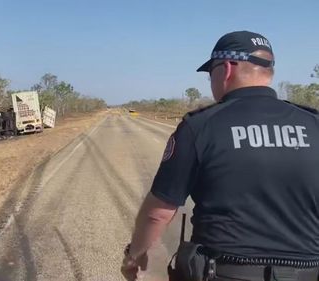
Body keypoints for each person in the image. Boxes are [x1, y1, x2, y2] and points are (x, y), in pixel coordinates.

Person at [121, 30, 319, 281]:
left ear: (226, 68)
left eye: (210, 73)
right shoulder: (314, 124)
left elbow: (158, 212)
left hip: (224, 272)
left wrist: (134, 255)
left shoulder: (200, 126)